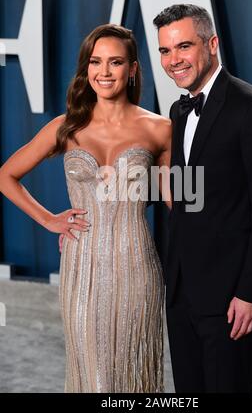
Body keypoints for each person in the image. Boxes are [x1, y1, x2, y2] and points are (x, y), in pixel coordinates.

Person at [0, 24, 171, 392]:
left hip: (137, 267)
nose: (104, 72)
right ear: (86, 68)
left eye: (115, 62)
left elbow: (180, 200)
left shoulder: (160, 129)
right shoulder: (66, 127)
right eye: (96, 62)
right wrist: (48, 220)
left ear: (133, 69)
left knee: (130, 376)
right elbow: (5, 176)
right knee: (93, 376)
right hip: (81, 268)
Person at [153, 4, 252, 393]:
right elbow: (186, 196)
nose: (173, 60)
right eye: (165, 51)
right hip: (181, 295)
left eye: (183, 47)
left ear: (211, 44)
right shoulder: (178, 111)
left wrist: (251, 293)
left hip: (232, 299)